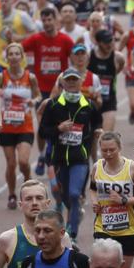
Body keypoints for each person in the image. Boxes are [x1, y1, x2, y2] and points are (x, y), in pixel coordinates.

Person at [39, 68, 102, 240]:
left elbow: (97, 121)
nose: (72, 82)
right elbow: (43, 131)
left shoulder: (88, 105)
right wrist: (58, 129)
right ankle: (75, 213)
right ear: (63, 83)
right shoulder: (53, 105)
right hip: (59, 159)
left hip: (80, 159)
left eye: (75, 79)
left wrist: (98, 130)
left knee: (75, 194)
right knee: (63, 194)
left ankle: (72, 233)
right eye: (69, 80)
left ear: (81, 82)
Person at [22, 7, 75, 176]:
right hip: (41, 90)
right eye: (43, 20)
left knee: (60, 124)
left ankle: (56, 156)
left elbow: (75, 60)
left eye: (49, 20)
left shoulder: (65, 40)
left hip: (61, 90)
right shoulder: (36, 39)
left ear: (56, 20)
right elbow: (20, 48)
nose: (46, 23)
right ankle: (42, 155)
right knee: (42, 126)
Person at [0, 43, 41, 209]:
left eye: (16, 54)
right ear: (6, 57)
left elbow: (38, 95)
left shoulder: (30, 77)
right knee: (11, 164)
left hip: (25, 126)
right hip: (7, 126)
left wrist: (33, 101)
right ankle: (12, 194)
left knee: (24, 162)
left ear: (22, 57)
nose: (13, 57)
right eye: (10, 54)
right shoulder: (1, 76)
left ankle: (29, 187)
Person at [89, 132, 134, 268]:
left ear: (120, 147)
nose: (108, 153)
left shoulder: (132, 168)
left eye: (112, 149)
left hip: (128, 229)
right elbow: (92, 190)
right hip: (103, 228)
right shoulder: (97, 167)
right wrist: (94, 202)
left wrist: (124, 200)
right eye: (104, 150)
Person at [88, 30, 125, 132]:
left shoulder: (118, 58)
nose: (110, 44)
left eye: (111, 41)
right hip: (91, 101)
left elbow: (119, 68)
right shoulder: (89, 56)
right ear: (98, 42)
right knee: (91, 137)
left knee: (106, 135)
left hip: (109, 101)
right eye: (106, 42)